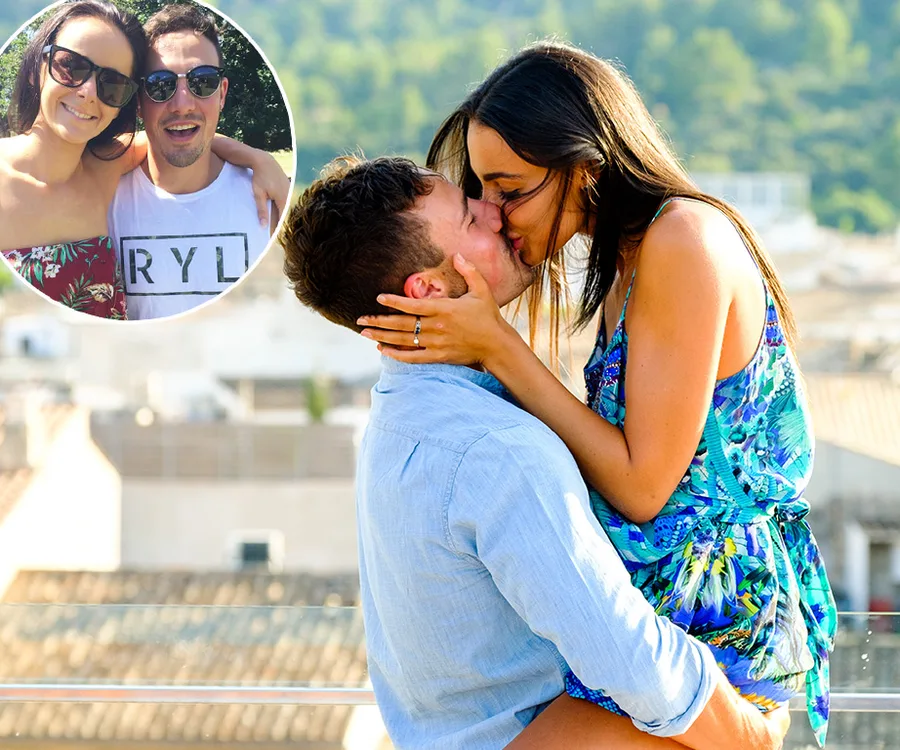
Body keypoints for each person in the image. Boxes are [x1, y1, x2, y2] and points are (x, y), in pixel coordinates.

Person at [355, 41, 837, 746]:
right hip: (656, 632)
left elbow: (644, 486)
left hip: (714, 629)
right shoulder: (630, 258)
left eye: (511, 189)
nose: (496, 214)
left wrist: (498, 347)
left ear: (585, 166)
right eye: (482, 193)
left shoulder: (681, 240)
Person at [279, 154, 790, 750]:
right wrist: (748, 735)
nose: (495, 215)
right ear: (430, 290)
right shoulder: (496, 450)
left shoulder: (400, 420)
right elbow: (622, 651)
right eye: (471, 220)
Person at [0, 0, 285, 320]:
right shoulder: (107, 175)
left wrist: (259, 159)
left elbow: (179, 136)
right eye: (72, 66)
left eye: (112, 83)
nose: (88, 91)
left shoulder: (104, 169)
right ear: (36, 69)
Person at [107, 2, 280, 320]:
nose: (182, 103)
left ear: (222, 94)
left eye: (203, 81)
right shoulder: (102, 201)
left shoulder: (272, 202)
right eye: (161, 84)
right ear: (140, 102)